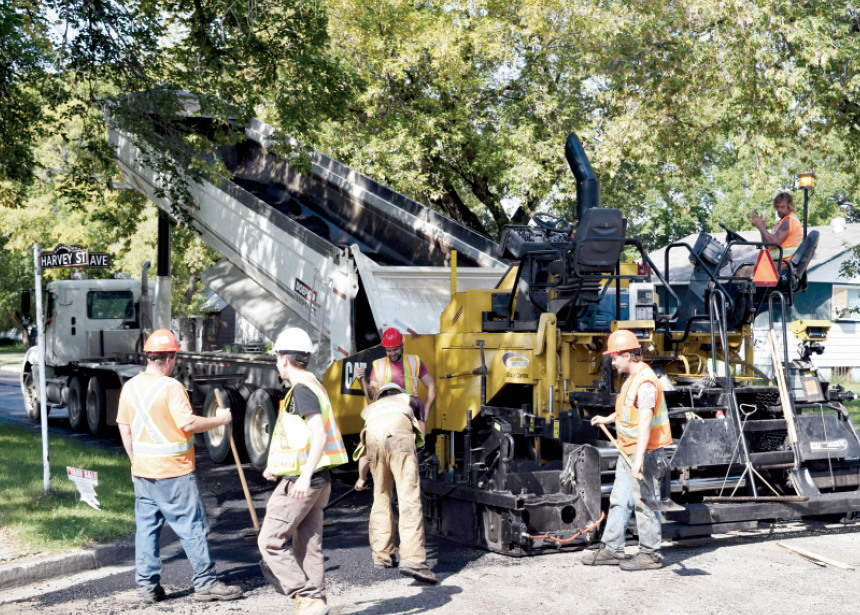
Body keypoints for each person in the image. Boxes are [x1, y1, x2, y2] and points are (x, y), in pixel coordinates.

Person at [117, 329, 243, 603]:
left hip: (143, 473)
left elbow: (124, 428)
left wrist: (134, 461)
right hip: (174, 472)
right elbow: (188, 424)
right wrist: (219, 420)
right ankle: (206, 583)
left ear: (149, 356)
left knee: (147, 531)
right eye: (175, 357)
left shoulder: (130, 387)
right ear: (169, 358)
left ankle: (148, 588)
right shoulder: (171, 387)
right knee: (192, 526)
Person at [257, 327, 348, 615]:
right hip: (318, 479)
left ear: (284, 360)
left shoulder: (302, 390)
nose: (276, 363)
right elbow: (301, 439)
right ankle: (315, 603)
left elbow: (318, 435)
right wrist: (277, 465)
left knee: (270, 541)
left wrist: (304, 476)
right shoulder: (312, 384)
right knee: (308, 544)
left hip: (304, 482)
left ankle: (306, 597)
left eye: (276, 358)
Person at [582, 329, 671, 571]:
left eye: (615, 357)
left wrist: (639, 459)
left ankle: (650, 554)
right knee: (619, 500)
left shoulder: (646, 383)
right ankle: (612, 548)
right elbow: (627, 412)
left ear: (628, 356)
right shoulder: (632, 378)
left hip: (645, 454)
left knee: (644, 503)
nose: (612, 361)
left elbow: (644, 422)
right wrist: (608, 418)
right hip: (627, 451)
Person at [353, 383, 436, 584]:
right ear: (400, 393)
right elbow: (421, 437)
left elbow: (363, 454)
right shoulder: (412, 400)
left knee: (380, 496)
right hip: (399, 436)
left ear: (381, 396)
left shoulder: (371, 410)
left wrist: (362, 478)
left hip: (373, 438)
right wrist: (417, 456)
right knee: (408, 498)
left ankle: (382, 556)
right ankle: (413, 561)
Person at [355, 327, 436, 435]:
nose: (392, 353)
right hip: (386, 405)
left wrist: (425, 413)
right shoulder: (378, 364)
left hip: (408, 405)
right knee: (367, 420)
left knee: (419, 406)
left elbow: (432, 386)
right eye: (389, 350)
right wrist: (362, 381)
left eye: (395, 349)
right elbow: (372, 395)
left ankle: (420, 445)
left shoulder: (414, 361)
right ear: (385, 349)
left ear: (402, 346)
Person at [748, 192, 803, 260]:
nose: (779, 210)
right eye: (777, 207)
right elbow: (767, 246)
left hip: (783, 265)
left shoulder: (789, 220)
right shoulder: (780, 222)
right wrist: (762, 229)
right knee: (745, 269)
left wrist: (761, 226)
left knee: (743, 270)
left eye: (782, 207)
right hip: (775, 264)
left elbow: (774, 243)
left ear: (790, 206)